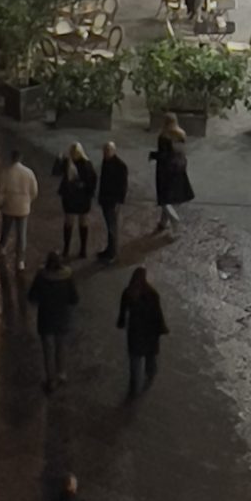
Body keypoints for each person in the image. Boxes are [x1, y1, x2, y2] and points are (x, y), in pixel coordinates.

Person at [27, 251, 79, 393]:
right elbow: (74, 298)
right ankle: (61, 373)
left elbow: (32, 296)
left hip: (46, 319)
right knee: (61, 346)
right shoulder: (67, 278)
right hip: (62, 318)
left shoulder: (41, 278)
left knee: (48, 350)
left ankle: (51, 379)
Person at [117, 266, 169, 397]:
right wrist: (161, 328)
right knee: (150, 355)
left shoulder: (128, 293)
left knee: (135, 360)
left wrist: (121, 322)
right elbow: (158, 314)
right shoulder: (152, 294)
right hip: (149, 332)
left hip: (135, 332)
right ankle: (150, 373)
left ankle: (134, 386)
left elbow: (123, 312)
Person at [0, 148, 39, 272]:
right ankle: (20, 260)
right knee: (21, 235)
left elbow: (0, 191)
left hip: (9, 206)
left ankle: (2, 247)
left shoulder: (6, 172)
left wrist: (1, 204)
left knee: (5, 229)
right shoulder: (29, 173)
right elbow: (34, 191)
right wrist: (28, 201)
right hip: (23, 207)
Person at [150, 113, 193, 233]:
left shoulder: (164, 136)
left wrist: (153, 155)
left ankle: (174, 220)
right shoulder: (181, 134)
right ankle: (163, 222)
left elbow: (164, 154)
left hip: (165, 169)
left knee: (164, 198)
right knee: (169, 196)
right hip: (179, 167)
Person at [54, 143, 97, 260]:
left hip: (77, 197)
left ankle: (79, 249)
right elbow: (56, 172)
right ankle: (72, 249)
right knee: (73, 222)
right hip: (75, 197)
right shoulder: (74, 162)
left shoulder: (84, 164)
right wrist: (58, 160)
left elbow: (91, 181)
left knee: (78, 222)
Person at [97, 141, 128, 263]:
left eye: (108, 151)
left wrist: (119, 201)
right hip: (105, 199)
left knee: (112, 227)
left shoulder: (120, 166)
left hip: (113, 201)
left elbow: (123, 186)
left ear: (114, 151)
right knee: (109, 226)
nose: (105, 153)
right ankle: (109, 250)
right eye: (104, 151)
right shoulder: (106, 162)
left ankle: (112, 253)